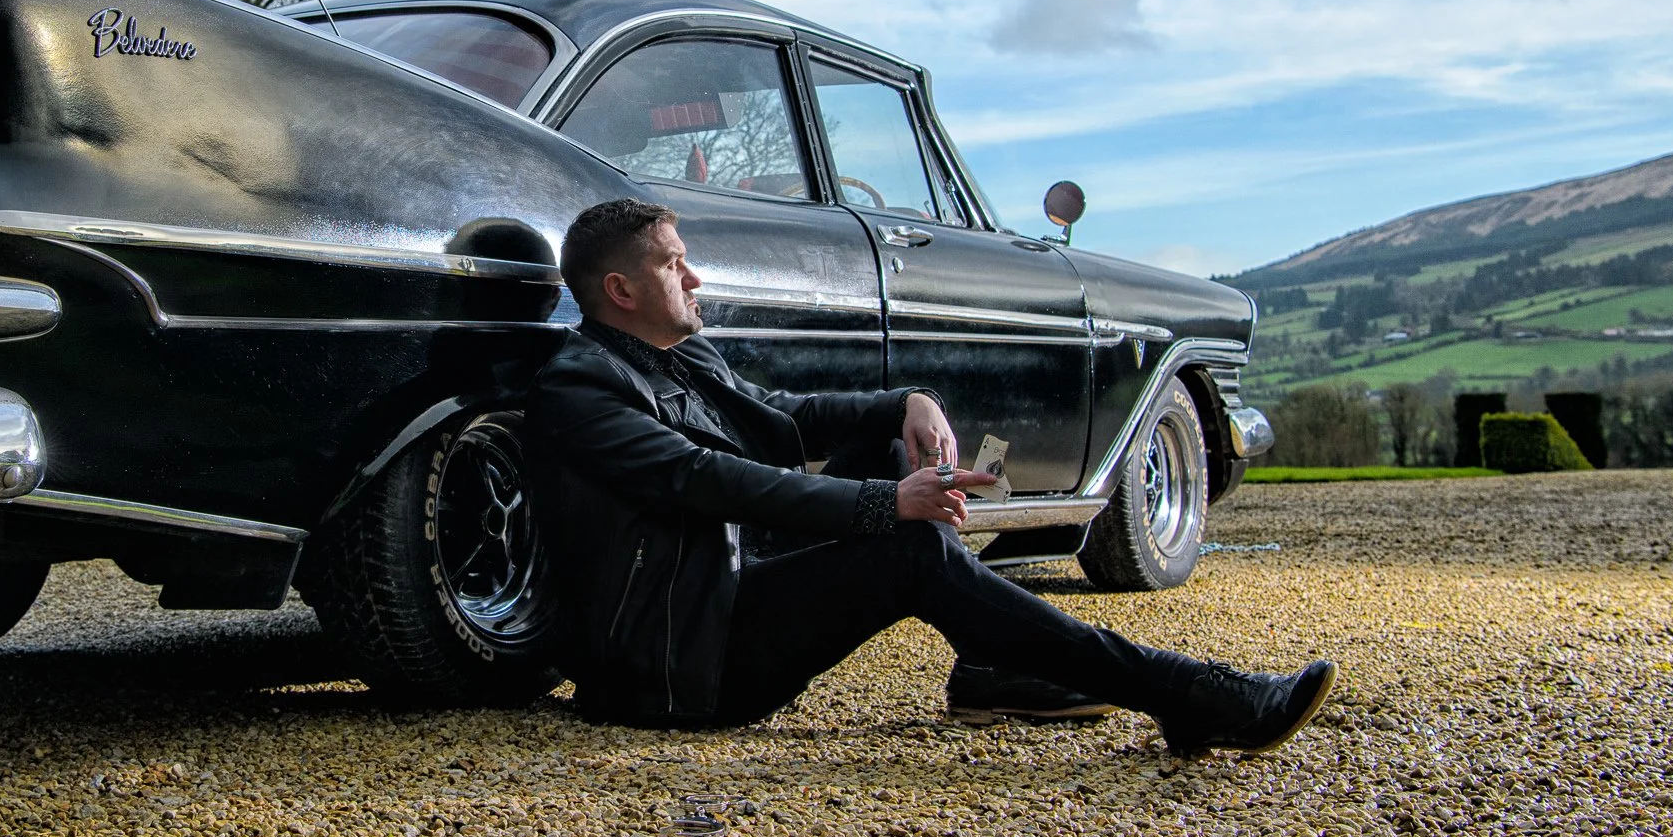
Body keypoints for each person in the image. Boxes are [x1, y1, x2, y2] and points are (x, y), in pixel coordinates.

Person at [526, 197, 1335, 753]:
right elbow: (716, 480)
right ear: (621, 289)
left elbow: (781, 415)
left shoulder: (680, 352)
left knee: (888, 452)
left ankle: (991, 662)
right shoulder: (578, 388)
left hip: (719, 587)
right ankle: (1182, 693)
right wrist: (889, 505)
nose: (695, 278)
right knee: (906, 546)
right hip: (672, 664)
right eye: (675, 266)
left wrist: (904, 402)